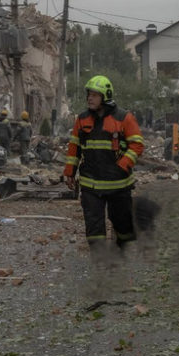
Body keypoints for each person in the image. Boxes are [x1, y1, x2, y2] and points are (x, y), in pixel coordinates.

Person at [64, 75, 145, 250]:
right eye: (89, 94)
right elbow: (74, 147)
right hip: (90, 185)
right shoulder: (82, 119)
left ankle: (124, 256)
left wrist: (122, 166)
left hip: (119, 185)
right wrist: (69, 172)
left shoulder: (124, 118)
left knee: (124, 228)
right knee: (94, 231)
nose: (90, 98)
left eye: (95, 94)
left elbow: (137, 145)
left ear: (105, 96)